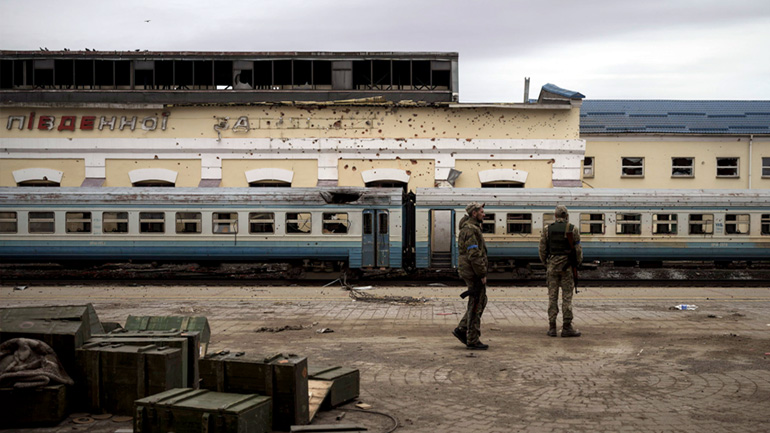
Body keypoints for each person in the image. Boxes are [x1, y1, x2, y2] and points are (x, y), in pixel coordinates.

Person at [539, 205, 583, 337]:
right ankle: (567, 327)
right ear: (567, 216)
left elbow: (542, 249)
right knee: (567, 298)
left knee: (552, 297)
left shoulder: (547, 229)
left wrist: (547, 263)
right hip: (567, 268)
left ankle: (552, 327)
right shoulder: (573, 229)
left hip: (552, 268)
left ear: (555, 215)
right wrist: (577, 263)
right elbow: (578, 250)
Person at [452, 202, 489, 350]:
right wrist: (481, 274)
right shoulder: (470, 230)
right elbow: (474, 255)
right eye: (481, 211)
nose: (484, 214)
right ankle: (472, 339)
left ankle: (462, 329)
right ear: (474, 213)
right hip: (473, 271)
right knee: (476, 304)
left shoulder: (472, 228)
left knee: (480, 300)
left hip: (471, 270)